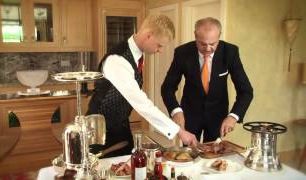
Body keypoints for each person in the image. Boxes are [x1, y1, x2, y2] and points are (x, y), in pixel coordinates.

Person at [86, 14, 198, 158]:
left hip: (121, 126)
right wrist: (179, 131)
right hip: (99, 132)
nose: (160, 50)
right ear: (148, 35)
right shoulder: (117, 60)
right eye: (159, 45)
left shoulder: (138, 54)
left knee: (128, 168)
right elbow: (141, 103)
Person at [161, 17, 253, 143]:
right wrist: (176, 111)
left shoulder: (230, 52)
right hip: (190, 115)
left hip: (217, 117)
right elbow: (167, 87)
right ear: (195, 35)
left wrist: (233, 116)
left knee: (214, 157)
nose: (208, 49)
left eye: (213, 44)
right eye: (203, 44)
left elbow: (246, 91)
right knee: (189, 156)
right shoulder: (182, 52)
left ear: (219, 36)